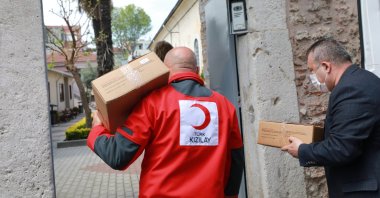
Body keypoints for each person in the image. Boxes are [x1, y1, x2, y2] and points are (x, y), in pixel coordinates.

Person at [87, 47, 244, 197]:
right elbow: (236, 160)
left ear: (164, 69)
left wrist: (97, 129)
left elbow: (118, 156)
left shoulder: (152, 103)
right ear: (196, 69)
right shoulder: (225, 106)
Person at [281, 38, 380, 197]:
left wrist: (302, 150)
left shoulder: (351, 89)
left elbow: (342, 148)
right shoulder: (362, 80)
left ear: (326, 66)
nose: (311, 77)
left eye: (312, 70)